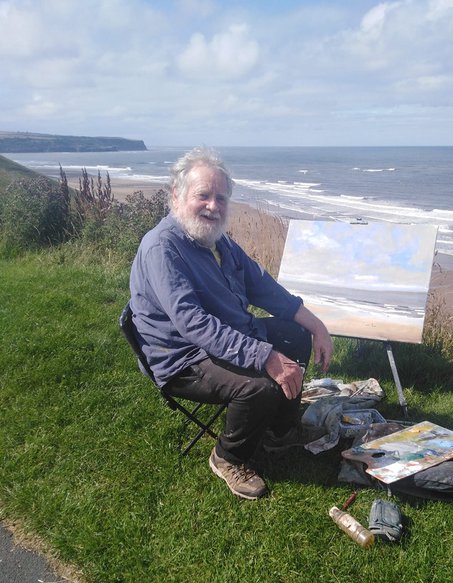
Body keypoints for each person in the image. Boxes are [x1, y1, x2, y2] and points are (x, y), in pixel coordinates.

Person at [129, 146, 333, 500]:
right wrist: (265, 356)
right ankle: (228, 457)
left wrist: (317, 325)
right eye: (203, 196)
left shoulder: (218, 241)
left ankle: (280, 432)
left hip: (228, 336)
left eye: (221, 198)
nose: (213, 206)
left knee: (295, 336)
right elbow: (193, 324)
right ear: (176, 196)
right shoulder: (162, 248)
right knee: (260, 385)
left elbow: (263, 287)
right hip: (184, 357)